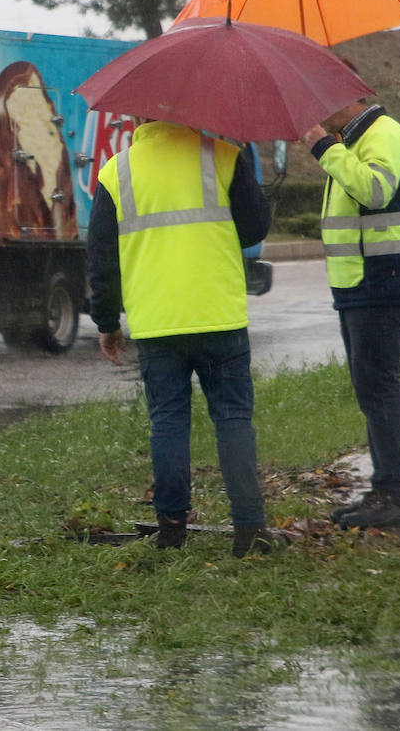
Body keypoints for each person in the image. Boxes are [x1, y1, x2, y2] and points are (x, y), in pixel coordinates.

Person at [87, 118, 274, 558]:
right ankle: (249, 528)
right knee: (233, 421)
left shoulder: (118, 171)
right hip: (219, 316)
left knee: (168, 423)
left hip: (157, 323)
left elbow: (102, 257)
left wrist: (107, 322)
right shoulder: (224, 156)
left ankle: (171, 527)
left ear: (138, 118)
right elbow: (255, 229)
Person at [300, 96, 400, 530]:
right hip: (361, 284)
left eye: (323, 98)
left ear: (351, 96)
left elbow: (375, 190)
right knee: (371, 388)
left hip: (383, 281)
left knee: (379, 387)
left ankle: (393, 495)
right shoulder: (354, 139)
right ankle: (385, 490)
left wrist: (324, 148)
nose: (317, 110)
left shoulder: (383, 134)